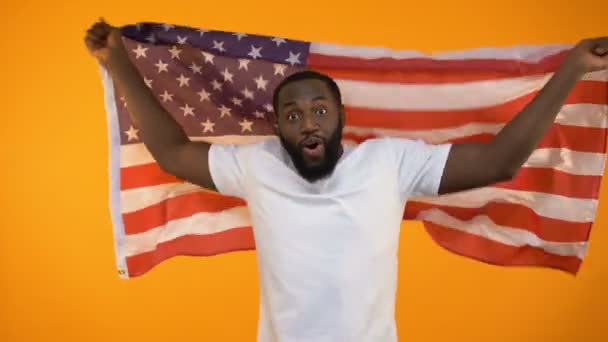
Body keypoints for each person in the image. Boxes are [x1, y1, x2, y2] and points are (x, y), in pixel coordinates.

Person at [85, 19, 608, 342]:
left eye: (318, 110)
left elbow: (500, 162)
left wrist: (573, 68)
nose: (307, 121)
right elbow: (175, 153)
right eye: (292, 115)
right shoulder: (258, 165)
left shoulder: (388, 162)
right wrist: (118, 64)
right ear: (278, 128)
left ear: (339, 117)